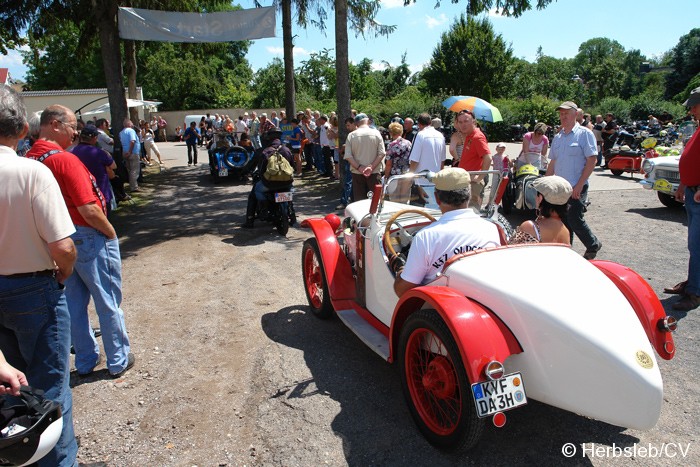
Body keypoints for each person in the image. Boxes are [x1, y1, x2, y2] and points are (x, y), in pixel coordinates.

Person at [26, 104, 135, 380]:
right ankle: (118, 359)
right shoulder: (64, 160)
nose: (75, 131)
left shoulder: (30, 160)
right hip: (86, 234)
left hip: (56, 237)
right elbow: (88, 208)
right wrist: (110, 232)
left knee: (74, 303)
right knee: (107, 299)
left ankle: (85, 360)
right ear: (54, 125)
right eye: (72, 125)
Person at [0, 87, 79, 466]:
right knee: (50, 389)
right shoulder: (32, 172)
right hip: (34, 287)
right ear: (20, 128)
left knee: (11, 387)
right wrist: (60, 278)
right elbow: (63, 248)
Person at [393, 167, 501, 297]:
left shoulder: (426, 237)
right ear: (469, 194)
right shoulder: (490, 228)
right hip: (481, 299)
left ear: (437, 199)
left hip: (435, 308)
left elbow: (402, 290)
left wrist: (400, 268)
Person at [545, 101, 602, 259]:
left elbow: (592, 160)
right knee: (563, 220)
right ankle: (566, 250)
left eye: (566, 114)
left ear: (575, 115)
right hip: (560, 188)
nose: (563, 117)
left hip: (577, 186)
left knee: (573, 217)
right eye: (561, 114)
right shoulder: (558, 137)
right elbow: (553, 162)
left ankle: (592, 243)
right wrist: (543, 186)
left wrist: (579, 185)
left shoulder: (584, 134)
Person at [667, 87, 700, 311]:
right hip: (692, 190)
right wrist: (684, 183)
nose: (692, 110)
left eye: (694, 106)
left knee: (697, 244)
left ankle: (695, 292)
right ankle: (692, 282)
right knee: (693, 243)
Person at [242, 128, 294, 228]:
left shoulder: (265, 151)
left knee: (253, 195)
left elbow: (260, 170)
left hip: (269, 184)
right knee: (289, 190)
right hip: (287, 183)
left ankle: (251, 219)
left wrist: (244, 173)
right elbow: (292, 167)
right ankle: (291, 211)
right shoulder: (287, 150)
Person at [70, 124, 118, 215]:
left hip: (81, 196)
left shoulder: (72, 152)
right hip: (101, 193)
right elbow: (114, 166)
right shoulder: (99, 152)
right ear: (95, 138)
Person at [510, 176, 572, 245]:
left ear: (540, 198)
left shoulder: (530, 227)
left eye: (537, 195)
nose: (535, 197)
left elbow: (510, 251)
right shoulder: (566, 232)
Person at [344, 113, 385, 201]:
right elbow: (382, 153)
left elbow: (348, 156)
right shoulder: (376, 133)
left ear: (356, 123)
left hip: (357, 173)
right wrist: (371, 167)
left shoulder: (351, 135)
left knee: (360, 201)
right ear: (367, 121)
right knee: (376, 201)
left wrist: (360, 168)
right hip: (374, 172)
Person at [456, 110, 492, 209]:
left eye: (466, 121)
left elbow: (488, 157)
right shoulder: (469, 135)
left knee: (471, 211)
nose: (463, 124)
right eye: (460, 122)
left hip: (472, 182)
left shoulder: (477, 137)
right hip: (466, 180)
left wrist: (479, 177)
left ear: (474, 122)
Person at [119, 118, 141, 192]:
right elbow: (132, 141)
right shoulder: (131, 131)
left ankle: (132, 184)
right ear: (129, 124)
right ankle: (134, 187)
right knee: (134, 170)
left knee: (129, 170)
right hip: (132, 152)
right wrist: (130, 151)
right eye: (131, 123)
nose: (132, 124)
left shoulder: (121, 132)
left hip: (125, 152)